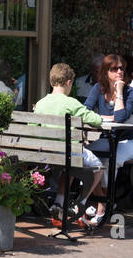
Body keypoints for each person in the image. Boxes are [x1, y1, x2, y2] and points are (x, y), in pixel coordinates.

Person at [33, 63, 105, 228]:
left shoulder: (41, 103)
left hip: (48, 154)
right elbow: (95, 119)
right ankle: (81, 202)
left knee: (69, 166)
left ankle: (59, 203)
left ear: (52, 83)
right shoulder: (71, 103)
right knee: (99, 167)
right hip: (69, 152)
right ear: (69, 82)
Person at [84, 54, 133, 224]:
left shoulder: (130, 92)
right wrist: (104, 117)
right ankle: (103, 201)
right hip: (108, 140)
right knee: (86, 158)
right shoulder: (98, 88)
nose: (119, 72)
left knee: (111, 160)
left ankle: (103, 206)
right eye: (114, 69)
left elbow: (119, 117)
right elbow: (85, 111)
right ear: (105, 72)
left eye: (121, 69)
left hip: (132, 143)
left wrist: (118, 91)